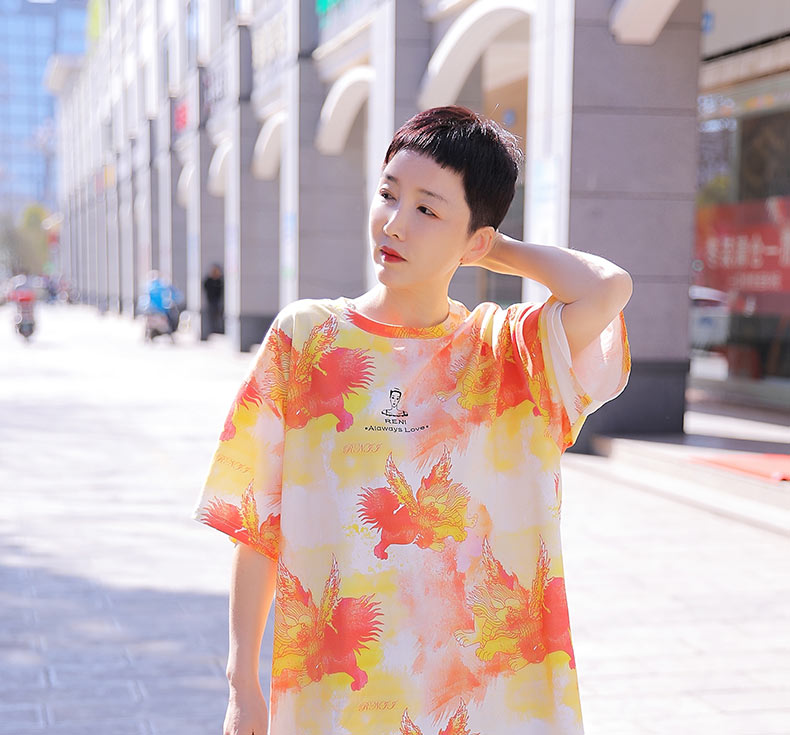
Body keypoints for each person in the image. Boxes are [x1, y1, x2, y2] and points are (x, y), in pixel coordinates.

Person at [192, 106, 632, 735]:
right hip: (338, 702)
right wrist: (242, 687)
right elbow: (256, 523)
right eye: (388, 194)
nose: (394, 223)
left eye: (427, 209)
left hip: (485, 704)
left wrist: (493, 249)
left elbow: (608, 288)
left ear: (474, 240)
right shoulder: (307, 338)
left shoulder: (507, 353)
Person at [203, 263, 225, 335]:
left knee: (219, 317)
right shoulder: (209, 280)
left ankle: (220, 330)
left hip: (219, 302)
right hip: (211, 301)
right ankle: (213, 330)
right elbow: (205, 286)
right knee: (211, 317)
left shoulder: (220, 280)